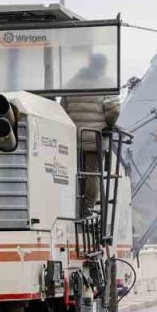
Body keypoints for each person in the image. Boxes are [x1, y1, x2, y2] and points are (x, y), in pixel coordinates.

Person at [62, 53, 120, 214]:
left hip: (73, 138)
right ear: (103, 66)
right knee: (92, 174)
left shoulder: (70, 84)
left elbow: (62, 110)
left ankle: (74, 204)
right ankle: (87, 206)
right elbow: (113, 110)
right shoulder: (107, 84)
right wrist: (110, 124)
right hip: (96, 138)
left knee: (74, 173)